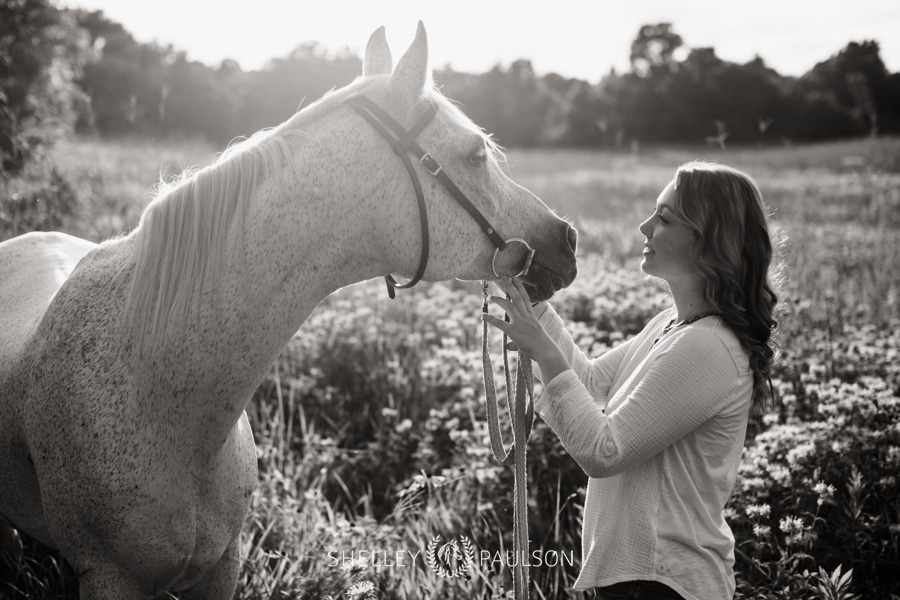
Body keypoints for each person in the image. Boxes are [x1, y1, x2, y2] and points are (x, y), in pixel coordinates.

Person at [482, 161, 779, 600]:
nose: (644, 227)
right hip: (642, 579)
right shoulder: (673, 326)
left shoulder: (709, 347)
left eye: (664, 218)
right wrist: (533, 305)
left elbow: (605, 451)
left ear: (707, 242)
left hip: (661, 583)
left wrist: (541, 349)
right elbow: (589, 381)